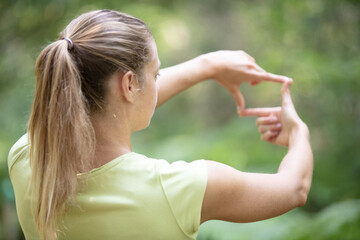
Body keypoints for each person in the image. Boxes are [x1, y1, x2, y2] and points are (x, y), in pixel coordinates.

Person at [8, 9, 313, 240]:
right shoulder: (175, 191)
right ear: (129, 85)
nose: (157, 82)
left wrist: (208, 66)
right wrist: (299, 132)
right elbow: (294, 188)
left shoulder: (27, 158)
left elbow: (102, 106)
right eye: (156, 75)